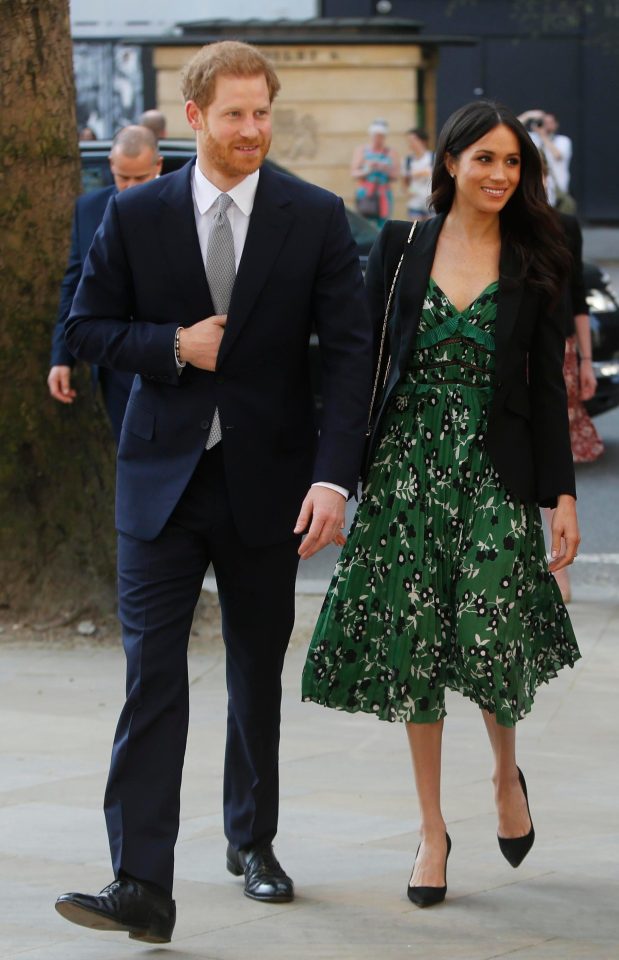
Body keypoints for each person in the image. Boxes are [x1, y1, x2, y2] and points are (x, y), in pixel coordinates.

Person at [54, 40, 372, 943]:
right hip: (159, 479)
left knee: (254, 671)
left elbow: (349, 356)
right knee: (152, 676)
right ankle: (140, 881)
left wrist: (331, 477)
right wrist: (171, 348)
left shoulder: (313, 216)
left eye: (262, 111)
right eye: (233, 113)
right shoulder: (140, 211)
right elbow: (86, 325)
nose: (251, 129)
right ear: (194, 118)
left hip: (270, 483)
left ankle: (254, 841)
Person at [303, 100, 581, 908]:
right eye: (485, 159)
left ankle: (503, 776)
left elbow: (543, 383)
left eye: (513, 162)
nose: (500, 174)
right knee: (414, 643)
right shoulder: (400, 245)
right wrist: (336, 472)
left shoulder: (538, 249)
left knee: (492, 632)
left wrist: (558, 493)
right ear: (451, 162)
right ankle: (431, 829)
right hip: (403, 468)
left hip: (495, 468)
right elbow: (363, 361)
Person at [47, 125, 163, 443]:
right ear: (111, 164)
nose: (129, 187)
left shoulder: (180, 207)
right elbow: (75, 284)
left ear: (158, 166)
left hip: (169, 358)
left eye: (139, 178)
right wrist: (61, 357)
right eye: (123, 177)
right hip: (114, 365)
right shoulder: (87, 210)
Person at [538, 152, 603, 602]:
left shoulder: (565, 225)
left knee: (553, 462)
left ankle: (559, 569)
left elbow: (577, 296)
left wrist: (585, 361)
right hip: (513, 353)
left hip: (558, 353)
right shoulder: (501, 223)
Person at [518, 109, 573, 207]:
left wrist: (543, 136)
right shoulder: (533, 138)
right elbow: (513, 129)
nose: (546, 125)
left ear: (556, 124)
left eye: (550, 122)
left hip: (557, 190)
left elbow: (558, 155)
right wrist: (528, 115)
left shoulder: (563, 141)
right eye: (544, 122)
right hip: (536, 186)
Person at [351, 119, 399, 228]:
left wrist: (384, 168)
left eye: (381, 136)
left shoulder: (391, 152)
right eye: (376, 136)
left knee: (383, 225)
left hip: (383, 194)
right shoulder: (362, 150)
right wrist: (367, 169)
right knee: (364, 224)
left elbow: (395, 175)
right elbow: (354, 173)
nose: (378, 139)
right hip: (366, 193)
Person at [401, 128, 433, 220]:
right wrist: (407, 191)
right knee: (415, 231)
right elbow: (404, 181)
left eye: (413, 140)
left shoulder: (433, 158)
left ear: (422, 141)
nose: (411, 143)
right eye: (409, 141)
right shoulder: (407, 161)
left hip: (431, 202)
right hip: (414, 202)